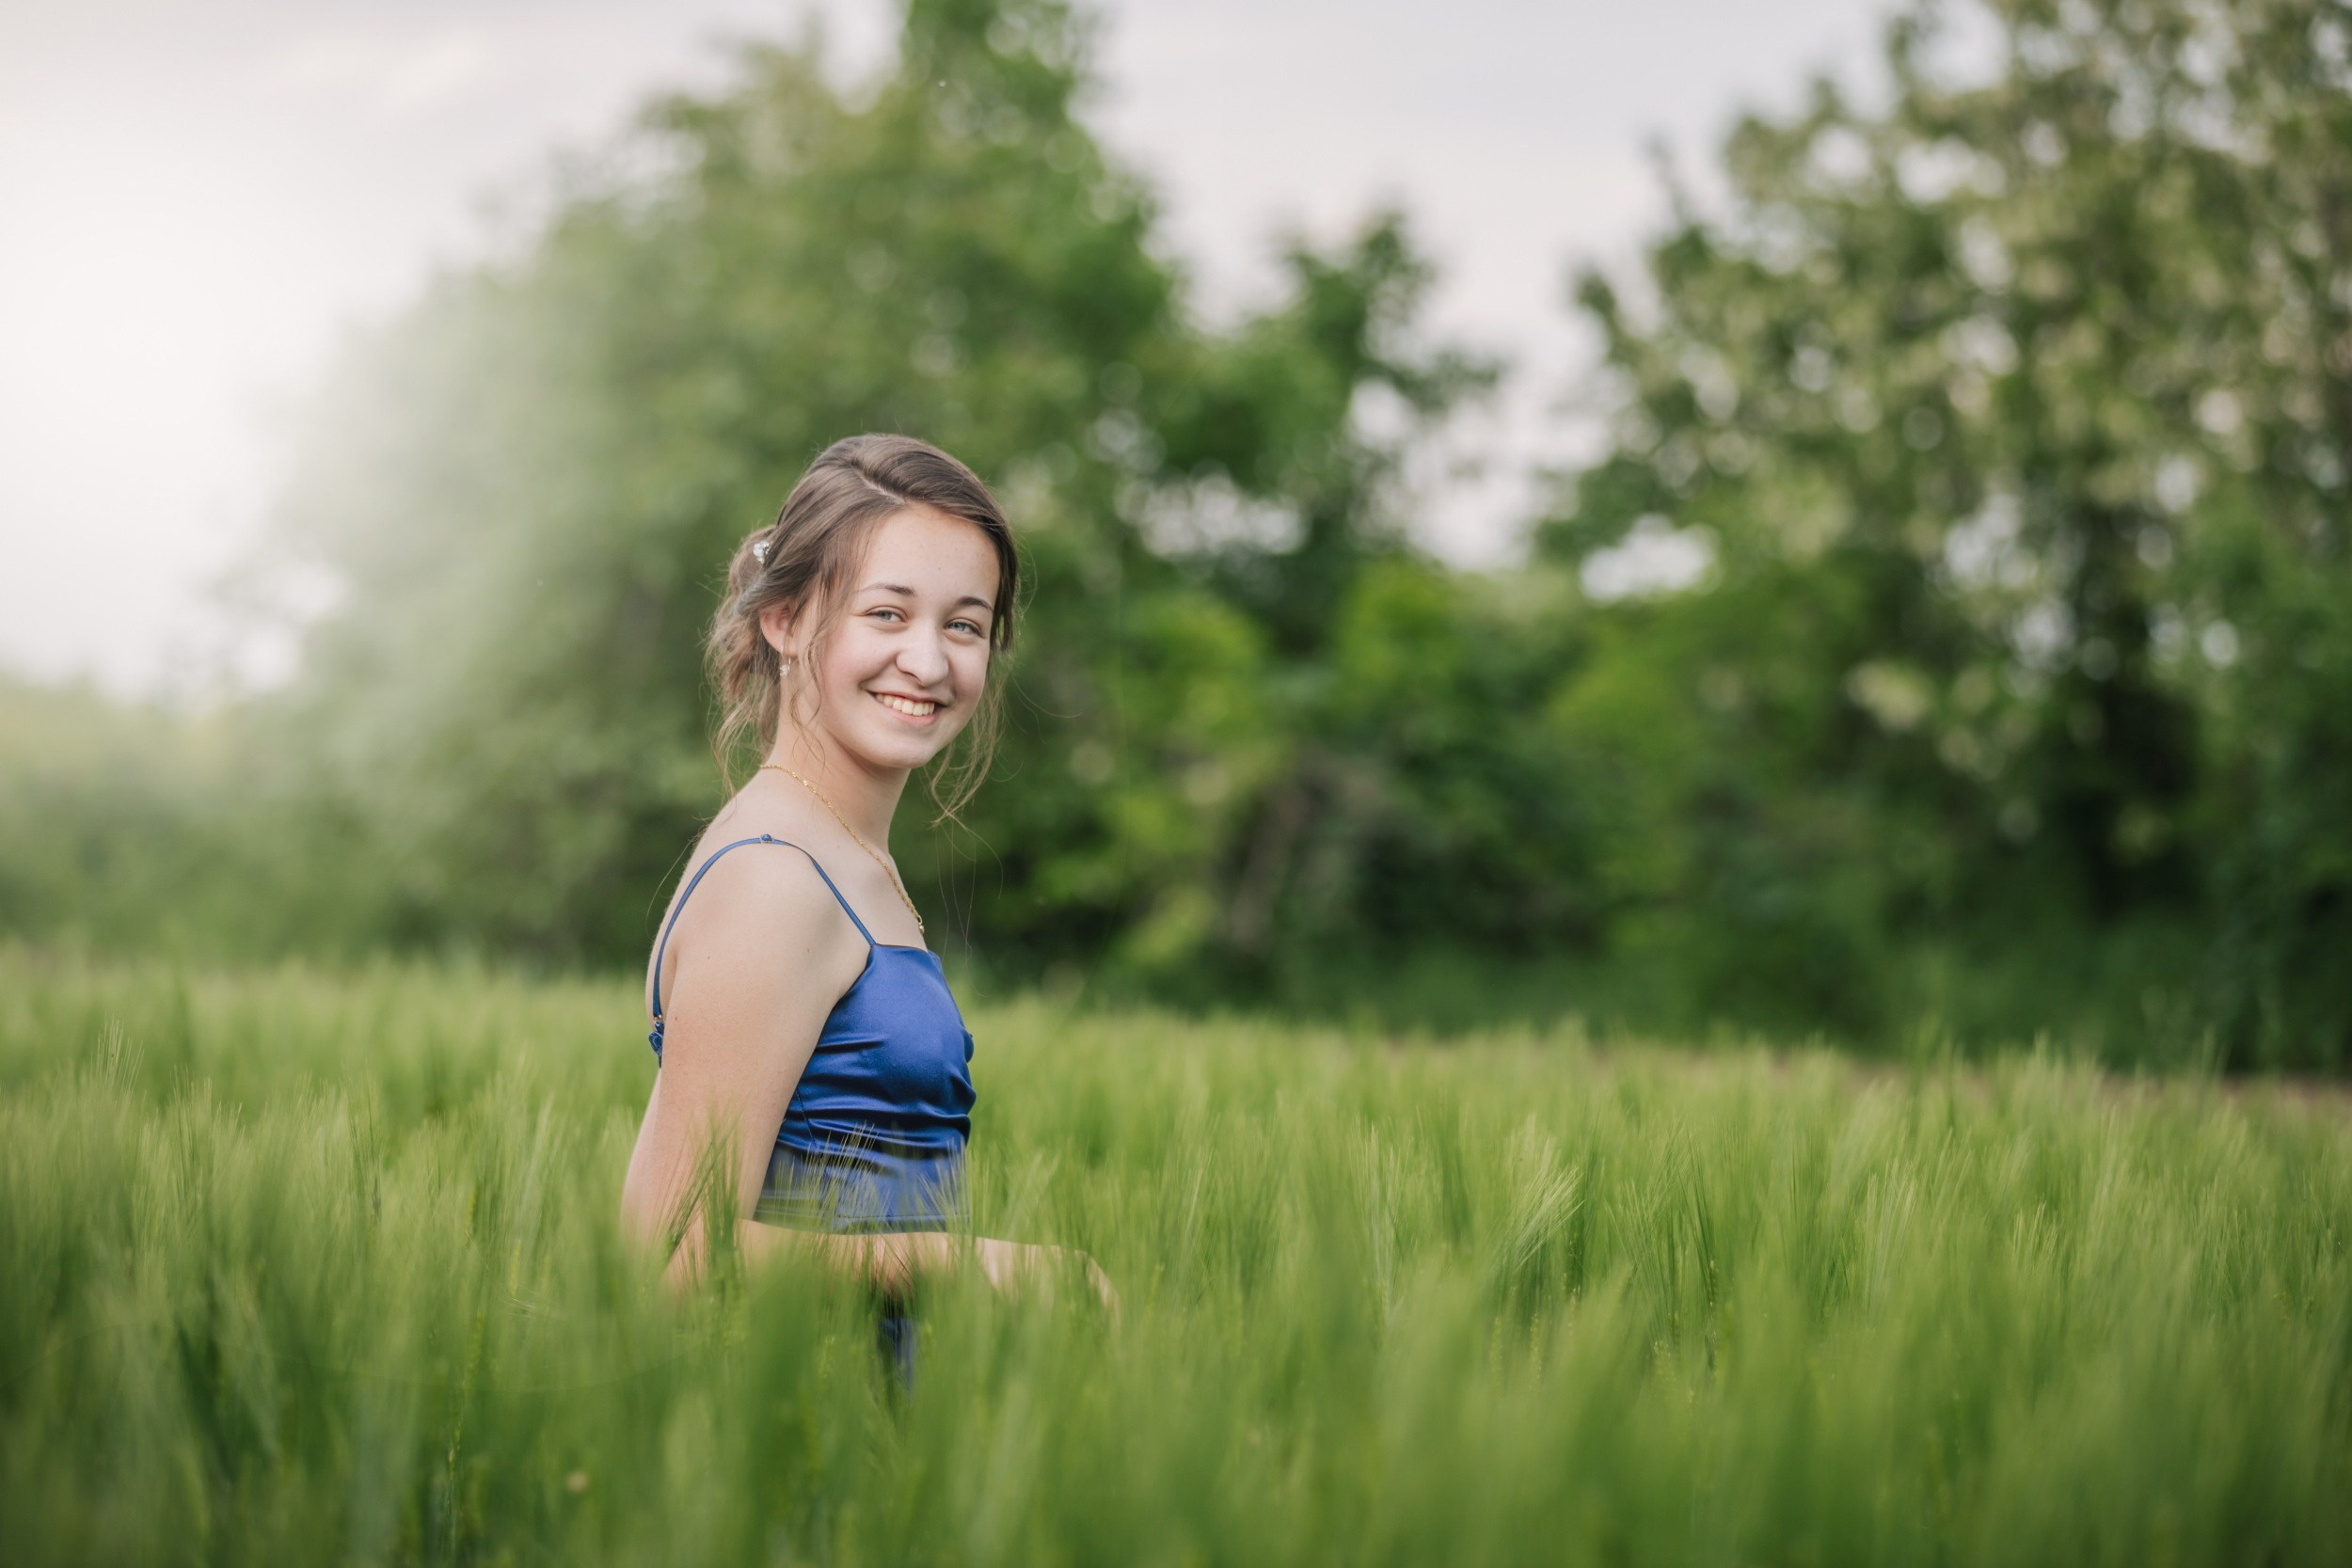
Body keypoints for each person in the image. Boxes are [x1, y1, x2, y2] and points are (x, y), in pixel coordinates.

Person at [619, 434, 1114, 1360]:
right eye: (886, 613)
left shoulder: (835, 855)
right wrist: (971, 1264)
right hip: (802, 1440)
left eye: (963, 625)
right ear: (787, 620)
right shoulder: (775, 879)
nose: (927, 662)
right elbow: (676, 1252)